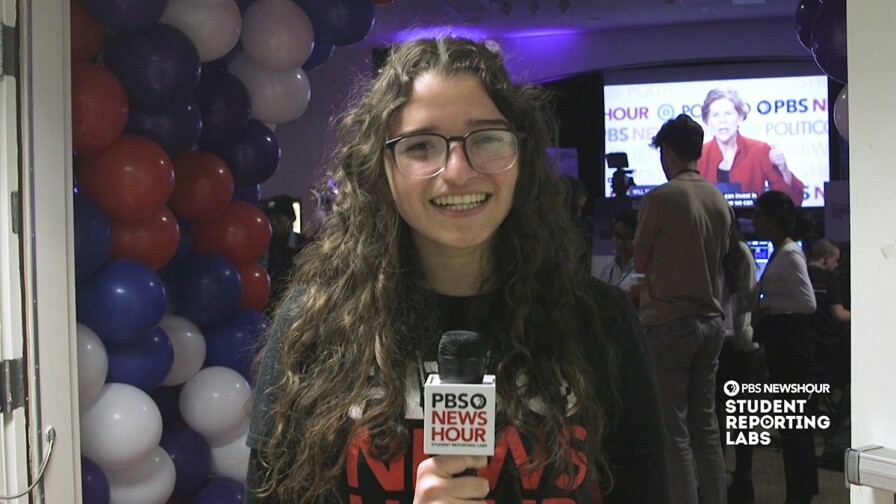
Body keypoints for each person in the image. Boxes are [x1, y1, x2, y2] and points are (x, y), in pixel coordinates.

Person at [245, 37, 668, 503]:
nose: (457, 171)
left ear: (521, 156)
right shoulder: (314, 329)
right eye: (421, 146)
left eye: (486, 138)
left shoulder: (601, 324)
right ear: (381, 167)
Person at [633, 113, 734, 504]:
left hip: (670, 322)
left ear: (669, 151)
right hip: (711, 323)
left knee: (674, 431)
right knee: (706, 426)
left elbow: (640, 262)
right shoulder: (718, 199)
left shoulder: (660, 198)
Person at [751, 190, 818, 504]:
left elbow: (808, 302)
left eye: (759, 215)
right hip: (785, 344)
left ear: (772, 218)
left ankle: (800, 491)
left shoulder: (789, 252)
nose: (754, 221)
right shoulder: (783, 250)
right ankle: (800, 490)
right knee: (792, 423)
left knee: (794, 422)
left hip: (791, 346)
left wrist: (768, 303)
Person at [714, 225, 761, 504]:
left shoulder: (740, 251)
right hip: (721, 341)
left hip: (740, 343)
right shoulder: (716, 248)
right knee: (717, 412)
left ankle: (743, 479)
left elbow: (750, 298)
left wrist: (728, 311)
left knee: (740, 415)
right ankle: (720, 476)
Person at [696, 88, 805, 206]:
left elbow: (790, 201)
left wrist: (783, 169)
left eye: (728, 114)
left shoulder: (760, 150)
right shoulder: (698, 154)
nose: (722, 121)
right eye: (715, 115)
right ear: (706, 121)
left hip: (752, 222)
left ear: (740, 117)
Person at [259, 194, 309, 310]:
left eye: (279, 218)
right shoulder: (262, 245)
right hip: (267, 308)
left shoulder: (305, 245)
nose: (273, 223)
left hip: (297, 308)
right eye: (270, 219)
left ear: (290, 220)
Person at [596, 209, 639, 294]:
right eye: (617, 236)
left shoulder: (644, 271)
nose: (620, 242)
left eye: (627, 237)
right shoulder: (607, 270)